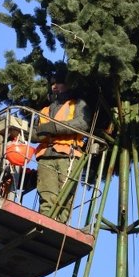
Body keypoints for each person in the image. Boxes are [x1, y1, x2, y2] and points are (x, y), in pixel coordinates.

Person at [32, 64, 91, 224]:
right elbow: (33, 134)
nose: (54, 86)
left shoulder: (78, 104)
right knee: (46, 194)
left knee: (65, 197)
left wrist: (54, 128)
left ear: (68, 84)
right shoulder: (45, 110)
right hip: (46, 156)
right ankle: (44, 225)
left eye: (58, 83)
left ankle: (59, 227)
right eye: (53, 83)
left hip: (69, 155)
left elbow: (82, 123)